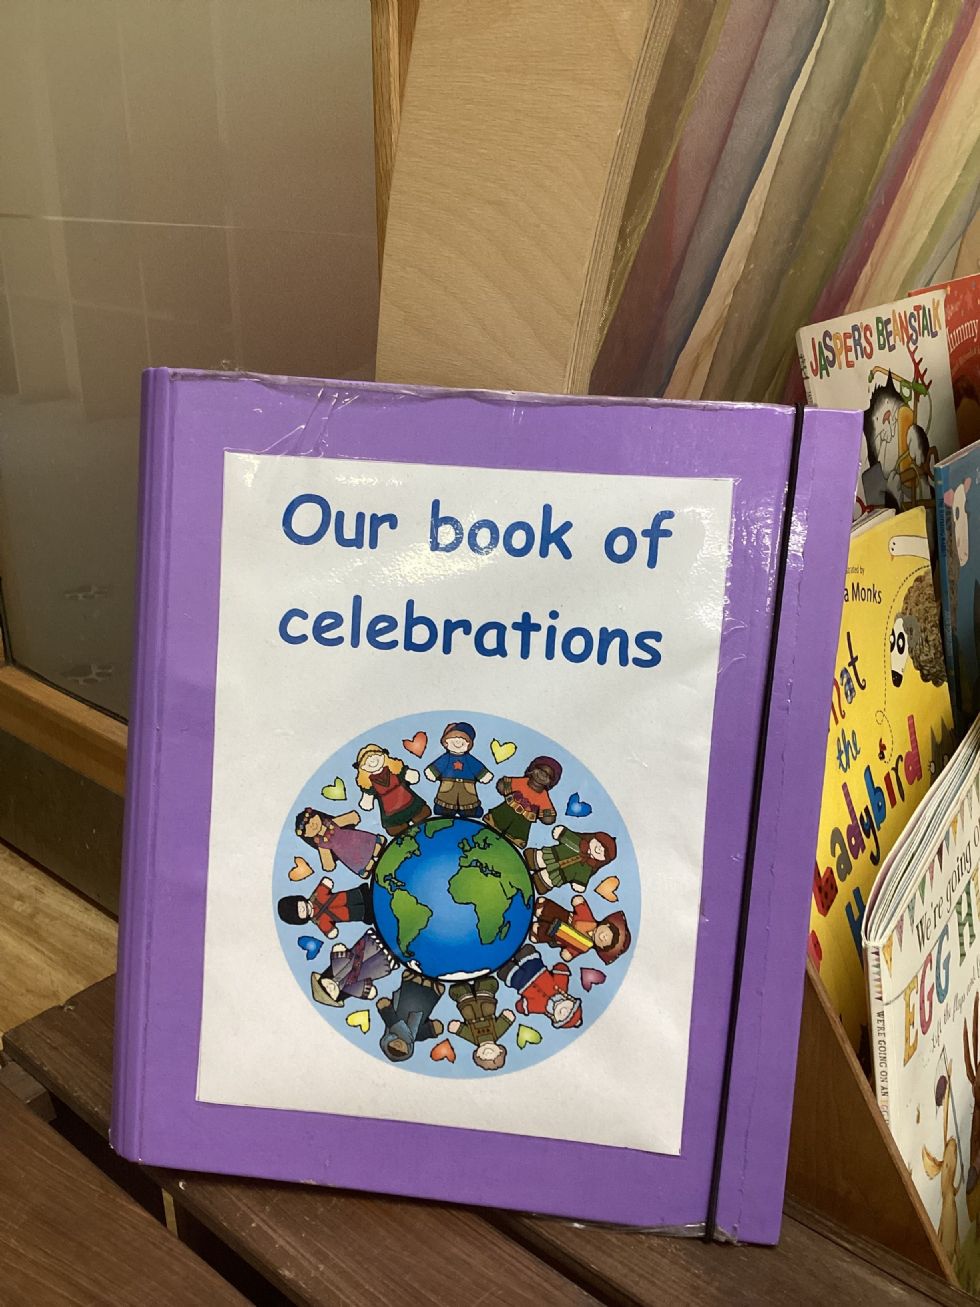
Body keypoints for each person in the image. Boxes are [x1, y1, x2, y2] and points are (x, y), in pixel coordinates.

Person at [484, 755, 562, 849]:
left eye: (548, 775)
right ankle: (493, 822)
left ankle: (516, 838)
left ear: (551, 782)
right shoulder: (522, 782)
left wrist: (546, 815)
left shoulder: (543, 796)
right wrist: (504, 786)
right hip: (508, 809)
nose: (542, 775)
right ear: (533, 769)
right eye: (541, 770)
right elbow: (502, 786)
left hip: (524, 820)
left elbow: (548, 818)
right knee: (500, 816)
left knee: (518, 830)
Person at [497, 943, 582, 1028]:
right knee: (524, 951)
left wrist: (523, 1006)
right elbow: (561, 968)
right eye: (569, 1010)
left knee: (504, 969)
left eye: (564, 1017)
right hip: (534, 968)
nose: (564, 1011)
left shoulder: (540, 1007)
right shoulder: (561, 987)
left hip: (520, 981)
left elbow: (521, 1006)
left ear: (556, 1019)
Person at [354, 744, 431, 836]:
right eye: (367, 761)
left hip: (409, 802)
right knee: (399, 831)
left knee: (422, 817)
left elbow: (407, 775)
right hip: (391, 812)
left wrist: (409, 774)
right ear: (362, 767)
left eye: (375, 756)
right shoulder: (369, 783)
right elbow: (368, 796)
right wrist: (367, 800)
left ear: (383, 756)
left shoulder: (395, 770)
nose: (372, 761)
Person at [530, 895, 631, 965]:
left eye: (606, 942)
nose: (603, 936)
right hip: (567, 918)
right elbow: (583, 909)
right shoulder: (589, 920)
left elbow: (573, 951)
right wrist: (580, 904)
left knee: (547, 933)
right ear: (607, 924)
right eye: (607, 934)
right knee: (554, 912)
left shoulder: (584, 946)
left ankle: (538, 932)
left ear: (601, 948)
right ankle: (543, 908)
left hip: (560, 937)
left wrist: (569, 954)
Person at [423, 722, 494, 818]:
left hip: (467, 784)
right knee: (446, 799)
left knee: (468, 800)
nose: (458, 742)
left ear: (469, 744)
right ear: (446, 741)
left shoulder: (469, 759)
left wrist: (483, 774)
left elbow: (476, 767)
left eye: (462, 740)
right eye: (454, 738)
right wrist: (432, 772)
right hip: (448, 783)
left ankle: (469, 810)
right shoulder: (446, 758)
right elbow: (438, 766)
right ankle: (445, 809)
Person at [309, 929, 395, 1007]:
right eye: (330, 993)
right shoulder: (349, 989)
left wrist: (337, 952)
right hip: (382, 963)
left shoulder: (336, 969)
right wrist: (367, 992)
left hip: (370, 943)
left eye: (325, 986)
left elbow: (340, 956)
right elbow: (364, 990)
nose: (329, 987)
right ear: (336, 998)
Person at [294, 806, 384, 878]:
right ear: (306, 835)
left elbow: (351, 818)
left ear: (317, 815)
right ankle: (365, 866)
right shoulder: (321, 843)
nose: (312, 825)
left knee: (366, 844)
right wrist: (328, 864)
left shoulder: (330, 823)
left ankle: (375, 845)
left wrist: (353, 817)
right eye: (307, 827)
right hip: (345, 852)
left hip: (353, 838)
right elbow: (328, 865)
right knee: (357, 859)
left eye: (311, 819)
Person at [447, 976, 514, 1070]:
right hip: (486, 1002)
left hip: (467, 1006)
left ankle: (462, 991)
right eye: (494, 1055)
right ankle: (484, 987)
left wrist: (457, 1028)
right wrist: (507, 1019)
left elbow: (464, 1032)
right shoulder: (496, 1033)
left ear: (478, 1054)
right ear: (499, 1050)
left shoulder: (473, 1039)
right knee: (487, 986)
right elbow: (503, 1024)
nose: (488, 1053)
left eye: (485, 1057)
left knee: (459, 993)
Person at [524, 825, 617, 893]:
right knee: (540, 858)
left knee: (547, 879)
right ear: (593, 839)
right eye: (599, 844)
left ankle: (540, 881)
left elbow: (582, 877)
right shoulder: (579, 843)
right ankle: (534, 859)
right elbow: (569, 837)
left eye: (603, 852)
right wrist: (562, 833)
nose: (599, 849)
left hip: (561, 874)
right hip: (554, 855)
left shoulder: (588, 867)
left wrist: (580, 884)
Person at [377, 971, 445, 1061]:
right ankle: (432, 989)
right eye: (400, 1051)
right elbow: (427, 1031)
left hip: (407, 993)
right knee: (426, 1000)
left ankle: (411, 980)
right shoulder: (415, 1035)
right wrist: (433, 1030)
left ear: (386, 1042)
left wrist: (385, 1008)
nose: (397, 1047)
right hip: (426, 1001)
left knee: (408, 997)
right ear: (408, 1050)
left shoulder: (391, 1022)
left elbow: (386, 1011)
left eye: (392, 1048)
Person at [277, 877, 371, 940]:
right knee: (361, 913)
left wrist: (325, 884)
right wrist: (330, 932)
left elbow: (325, 885)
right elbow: (330, 931)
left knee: (358, 895)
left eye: (297, 906)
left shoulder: (316, 896)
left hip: (349, 896)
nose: (301, 909)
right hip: (349, 914)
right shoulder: (319, 921)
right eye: (298, 913)